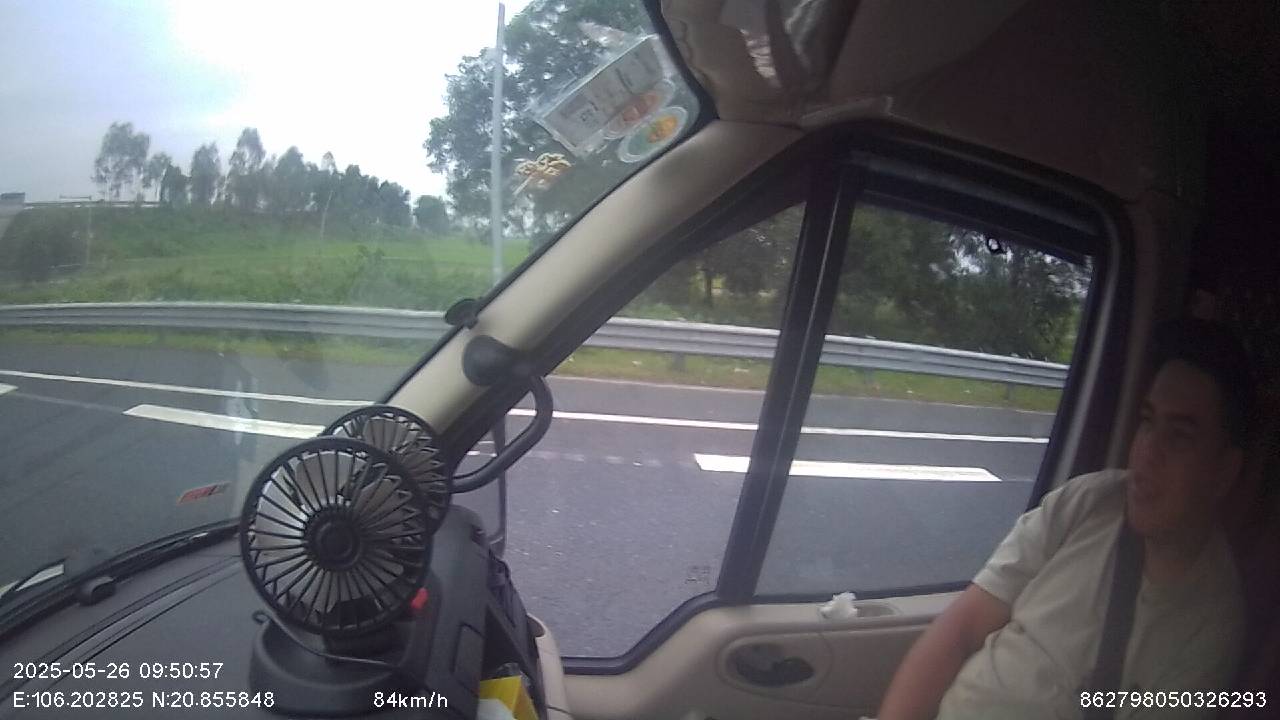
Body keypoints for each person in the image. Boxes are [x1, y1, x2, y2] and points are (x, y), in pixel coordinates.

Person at [875, 319, 1254, 720]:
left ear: (1223, 472)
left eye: (1179, 436)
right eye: (1147, 422)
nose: (1147, 452)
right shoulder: (1089, 502)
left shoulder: (1210, 628)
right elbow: (963, 627)